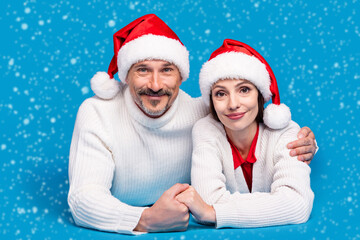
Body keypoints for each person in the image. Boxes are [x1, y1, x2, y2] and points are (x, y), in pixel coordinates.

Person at [67, 14, 317, 234]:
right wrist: (145, 219)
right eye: (143, 70)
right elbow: (83, 199)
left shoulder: (203, 111)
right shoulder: (98, 113)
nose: (155, 85)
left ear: (181, 76)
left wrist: (305, 143)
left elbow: (250, 119)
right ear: (125, 75)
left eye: (166, 70)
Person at [175, 39, 314, 228]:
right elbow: (207, 198)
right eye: (220, 94)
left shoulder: (286, 132)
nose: (233, 104)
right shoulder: (205, 130)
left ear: (259, 95)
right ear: (212, 101)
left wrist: (214, 212)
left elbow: (297, 205)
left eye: (244, 90)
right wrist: (274, 204)